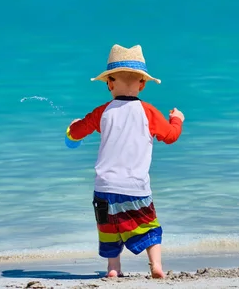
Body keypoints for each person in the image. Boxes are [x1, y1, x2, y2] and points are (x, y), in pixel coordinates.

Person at [65, 44, 184, 278]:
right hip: (136, 187)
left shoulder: (103, 112)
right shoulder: (149, 113)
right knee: (149, 227)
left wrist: (72, 127)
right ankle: (156, 266)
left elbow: (77, 132)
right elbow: (170, 137)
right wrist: (176, 119)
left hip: (104, 188)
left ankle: (113, 269)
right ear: (142, 84)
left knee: (109, 231)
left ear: (109, 83)